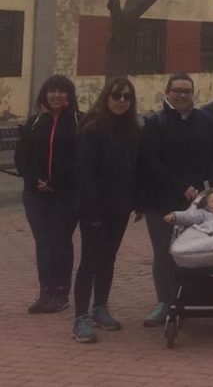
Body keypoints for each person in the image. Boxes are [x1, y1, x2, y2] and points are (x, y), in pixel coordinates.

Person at [138, 72, 213, 327]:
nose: (182, 95)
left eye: (187, 91)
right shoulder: (155, 124)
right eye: (177, 90)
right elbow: (151, 163)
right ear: (167, 93)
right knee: (164, 253)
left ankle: (189, 297)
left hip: (196, 203)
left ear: (193, 94)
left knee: (194, 251)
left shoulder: (206, 121)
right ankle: (164, 302)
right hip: (161, 202)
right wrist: (181, 187)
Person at [70, 78, 140, 344]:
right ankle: (80, 317)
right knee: (89, 260)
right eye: (116, 95)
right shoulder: (93, 128)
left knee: (108, 259)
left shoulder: (132, 130)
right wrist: (92, 208)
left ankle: (100, 307)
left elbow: (135, 168)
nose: (121, 101)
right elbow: (85, 171)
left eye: (126, 96)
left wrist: (136, 201)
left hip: (120, 207)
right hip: (95, 207)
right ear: (106, 97)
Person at [16, 74, 81, 315]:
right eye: (51, 91)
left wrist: (56, 182)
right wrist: (34, 180)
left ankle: (61, 292)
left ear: (69, 95)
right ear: (45, 94)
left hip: (65, 194)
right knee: (43, 242)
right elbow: (21, 156)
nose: (56, 95)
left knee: (60, 241)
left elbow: (81, 158)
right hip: (35, 194)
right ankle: (46, 291)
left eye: (61, 91)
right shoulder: (34, 122)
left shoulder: (79, 121)